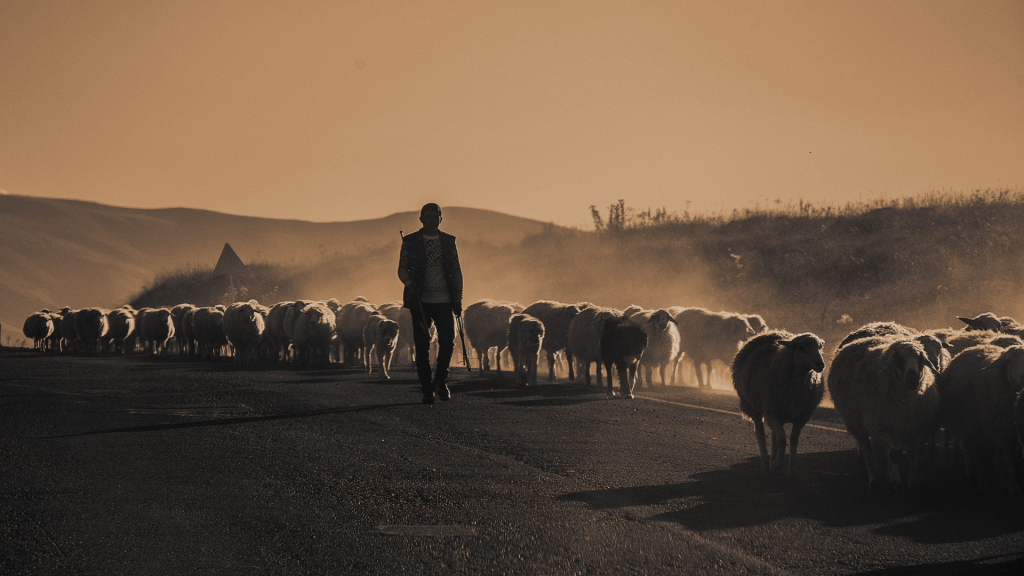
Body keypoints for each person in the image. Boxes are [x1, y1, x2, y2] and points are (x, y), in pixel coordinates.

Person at [398, 203, 464, 404]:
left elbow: (457, 271)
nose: (432, 220)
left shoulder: (448, 241)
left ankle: (441, 381)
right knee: (422, 345)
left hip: (445, 301)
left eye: (435, 217)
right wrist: (410, 284)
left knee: (447, 341)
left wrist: (458, 298)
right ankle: (427, 388)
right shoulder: (410, 242)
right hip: (420, 302)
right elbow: (402, 269)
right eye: (428, 217)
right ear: (421, 219)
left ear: (441, 219)